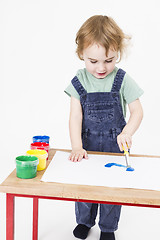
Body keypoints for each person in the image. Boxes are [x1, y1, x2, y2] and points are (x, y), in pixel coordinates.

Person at [65, 15, 143, 240]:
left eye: (109, 60)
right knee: (85, 188)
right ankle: (84, 221)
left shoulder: (122, 79)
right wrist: (76, 146)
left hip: (114, 146)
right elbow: (75, 116)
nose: (101, 67)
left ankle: (108, 228)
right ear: (81, 54)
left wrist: (127, 132)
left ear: (117, 53)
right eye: (93, 61)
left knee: (111, 190)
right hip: (87, 146)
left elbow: (138, 111)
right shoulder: (79, 80)